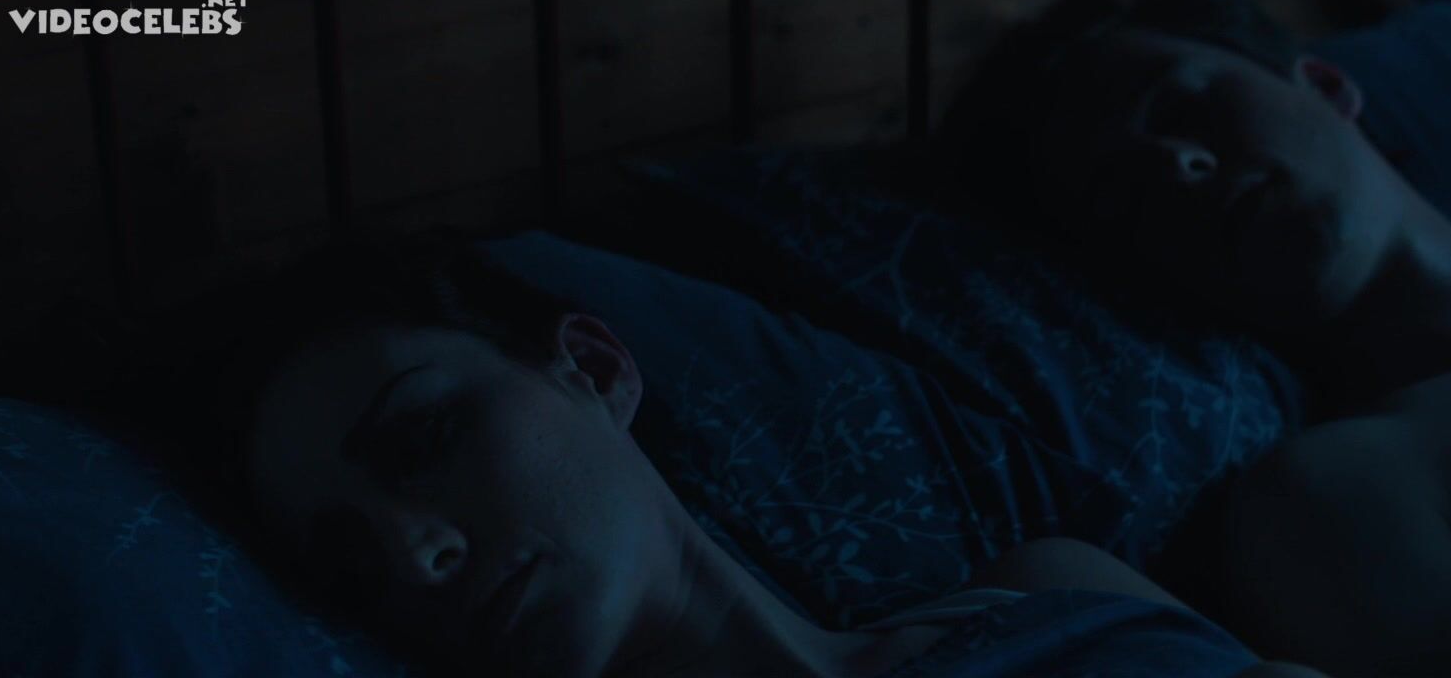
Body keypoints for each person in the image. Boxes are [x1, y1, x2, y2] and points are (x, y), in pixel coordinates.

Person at [940, 0, 1451, 678]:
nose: (1177, 164)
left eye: (1179, 108)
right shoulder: (1336, 497)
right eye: (1124, 198)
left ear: (1327, 85)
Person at [192, 229, 1327, 678]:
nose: (415, 553)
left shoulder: (1048, 588)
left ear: (594, 368)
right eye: (353, 566)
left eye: (425, 439)